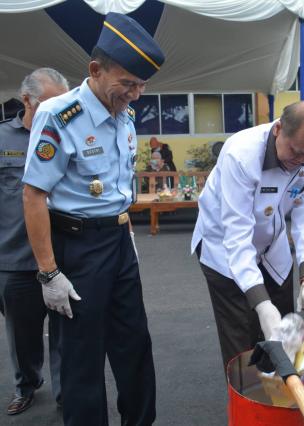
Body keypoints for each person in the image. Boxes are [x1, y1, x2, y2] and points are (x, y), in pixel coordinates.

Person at [22, 12, 164, 425]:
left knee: (134, 345)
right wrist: (48, 274)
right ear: (95, 70)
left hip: (119, 242)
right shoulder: (58, 116)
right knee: (83, 356)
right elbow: (33, 196)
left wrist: (125, 230)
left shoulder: (125, 114)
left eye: (141, 85)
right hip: (78, 247)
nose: (135, 95)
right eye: (128, 84)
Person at [191, 101, 304, 370]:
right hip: (224, 246)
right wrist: (260, 303)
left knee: (284, 333)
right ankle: (247, 404)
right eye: (296, 152)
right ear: (279, 129)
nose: (301, 162)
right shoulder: (241, 154)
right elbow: (237, 236)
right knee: (242, 341)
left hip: (272, 243)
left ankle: (283, 397)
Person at [0, 68, 67, 416]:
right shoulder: (2, 139)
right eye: (49, 103)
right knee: (22, 335)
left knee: (64, 332)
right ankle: (26, 383)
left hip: (62, 258)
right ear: (27, 100)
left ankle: (65, 393)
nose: (58, 110)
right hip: (15, 259)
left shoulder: (65, 136)